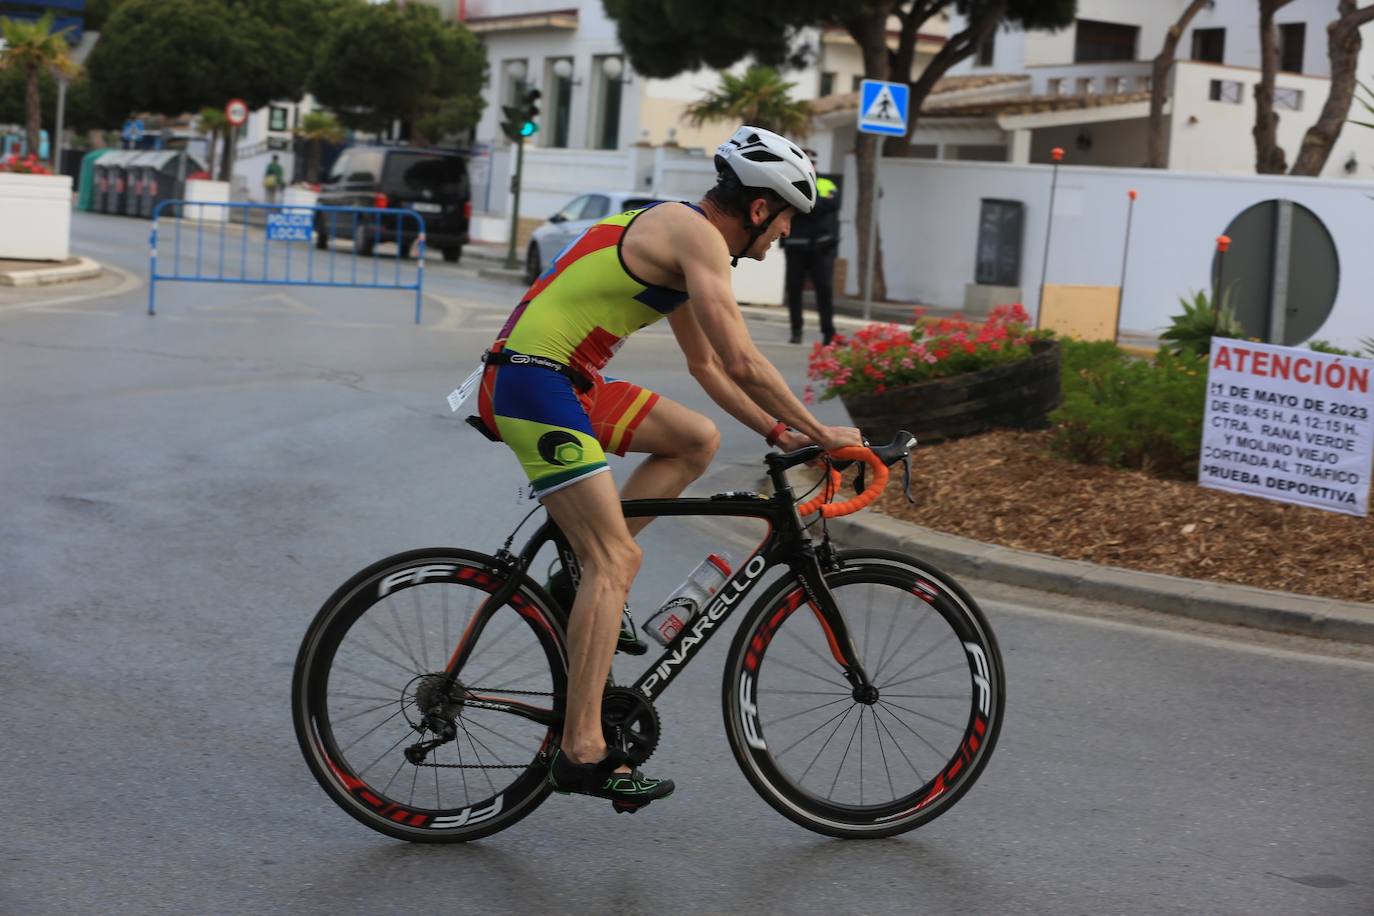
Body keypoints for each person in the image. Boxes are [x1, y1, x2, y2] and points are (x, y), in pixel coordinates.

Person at [468, 126, 863, 808]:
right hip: (533, 382)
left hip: (569, 381)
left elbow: (707, 367)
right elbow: (742, 359)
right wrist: (822, 432)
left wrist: (778, 432)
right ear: (761, 207)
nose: (783, 236)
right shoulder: (695, 235)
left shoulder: (683, 239)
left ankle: (577, 567)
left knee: (695, 440)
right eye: (786, 217)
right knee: (616, 561)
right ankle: (582, 750)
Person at [782, 150, 840, 346]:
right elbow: (791, 206)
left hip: (820, 247)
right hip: (796, 246)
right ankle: (796, 331)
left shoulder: (826, 183)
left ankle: (829, 333)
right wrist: (813, 206)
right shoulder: (790, 181)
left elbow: (832, 205)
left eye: (811, 162)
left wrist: (807, 205)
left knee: (824, 290)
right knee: (794, 290)